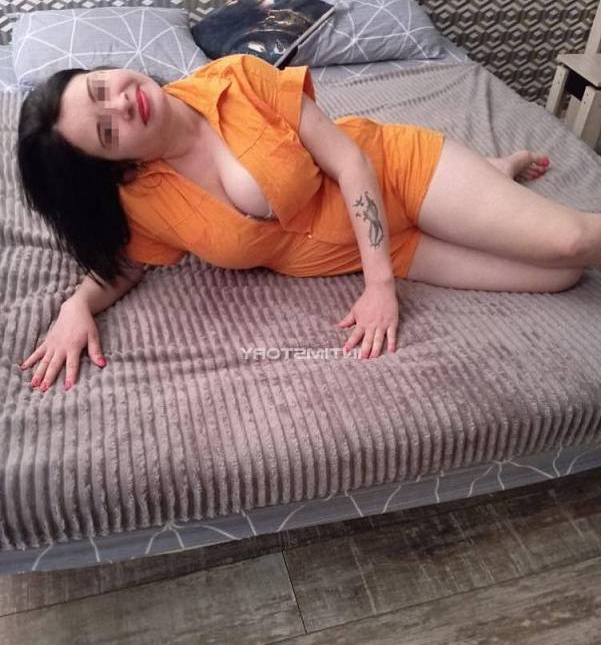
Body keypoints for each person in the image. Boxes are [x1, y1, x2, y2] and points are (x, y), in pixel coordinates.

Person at [16, 53, 592, 393]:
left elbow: (350, 162)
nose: (121, 104)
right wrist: (76, 306)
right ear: (110, 162)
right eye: (107, 131)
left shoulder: (239, 78)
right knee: (560, 276)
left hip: (396, 173)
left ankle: (482, 174)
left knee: (571, 242)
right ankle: (494, 174)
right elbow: (128, 266)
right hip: (397, 248)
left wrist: (379, 289)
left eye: (101, 87)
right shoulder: (143, 201)